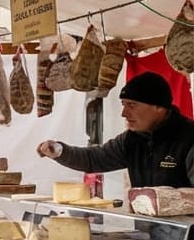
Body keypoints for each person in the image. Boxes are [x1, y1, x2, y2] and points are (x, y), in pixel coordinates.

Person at [37, 71, 194, 187]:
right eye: (123, 104)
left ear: (159, 107)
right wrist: (59, 151)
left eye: (132, 105)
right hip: (148, 230)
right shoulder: (132, 139)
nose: (124, 113)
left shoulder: (188, 138)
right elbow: (94, 159)